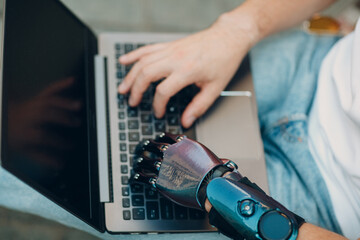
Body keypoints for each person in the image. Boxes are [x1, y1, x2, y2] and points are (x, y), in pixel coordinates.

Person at [118, 0, 360, 239]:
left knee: (121, 205)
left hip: (330, 203)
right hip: (315, 65)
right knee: (129, 87)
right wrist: (234, 32)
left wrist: (223, 196)